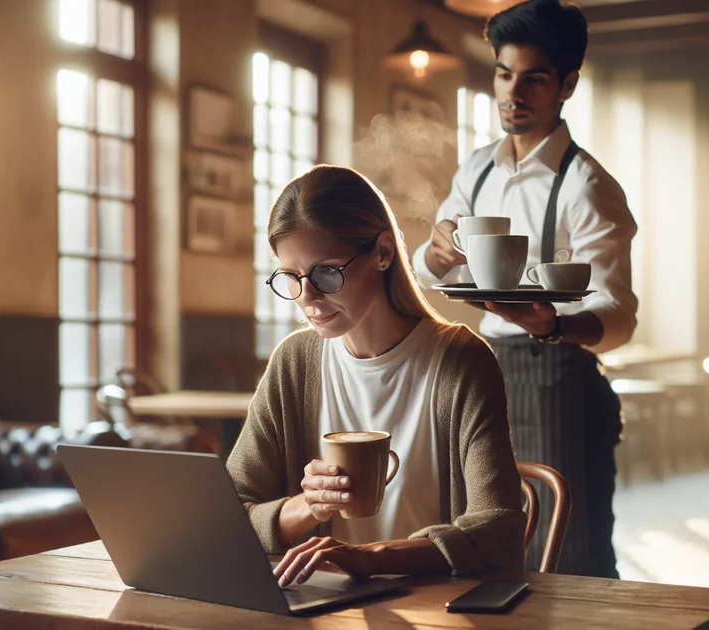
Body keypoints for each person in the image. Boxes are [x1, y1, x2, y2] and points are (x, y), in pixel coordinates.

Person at [412, 0, 636, 578]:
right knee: (485, 537)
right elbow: (431, 266)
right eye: (503, 73)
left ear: (566, 85)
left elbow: (617, 314)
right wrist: (435, 251)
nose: (513, 92)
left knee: (570, 553)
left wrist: (555, 324)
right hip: (480, 371)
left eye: (532, 79)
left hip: (558, 378)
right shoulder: (477, 169)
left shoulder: (588, 187)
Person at [228, 165, 526, 587]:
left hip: (434, 607)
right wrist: (308, 507)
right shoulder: (294, 362)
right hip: (321, 611)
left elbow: (499, 532)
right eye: (291, 278)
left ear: (383, 252)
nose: (307, 298)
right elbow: (227, 514)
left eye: (326, 273)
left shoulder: (462, 361)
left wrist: (373, 557)